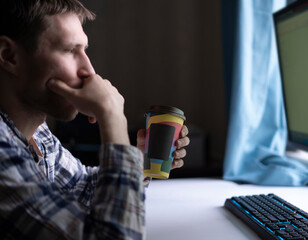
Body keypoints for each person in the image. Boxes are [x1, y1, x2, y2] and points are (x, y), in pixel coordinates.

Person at [0, 0, 190, 239]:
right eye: (70, 50)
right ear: (9, 56)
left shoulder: (37, 132)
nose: (89, 70)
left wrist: (138, 163)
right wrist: (112, 117)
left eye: (84, 50)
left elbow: (81, 189)